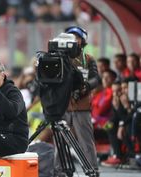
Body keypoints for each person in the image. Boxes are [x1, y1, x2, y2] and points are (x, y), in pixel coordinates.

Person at [54, 26, 100, 176]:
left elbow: (96, 78)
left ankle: (92, 169)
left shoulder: (88, 58)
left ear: (82, 40)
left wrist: (86, 86)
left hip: (82, 105)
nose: (74, 39)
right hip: (63, 105)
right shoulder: (59, 57)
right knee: (60, 141)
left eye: (77, 37)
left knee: (86, 140)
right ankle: (60, 170)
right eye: (70, 37)